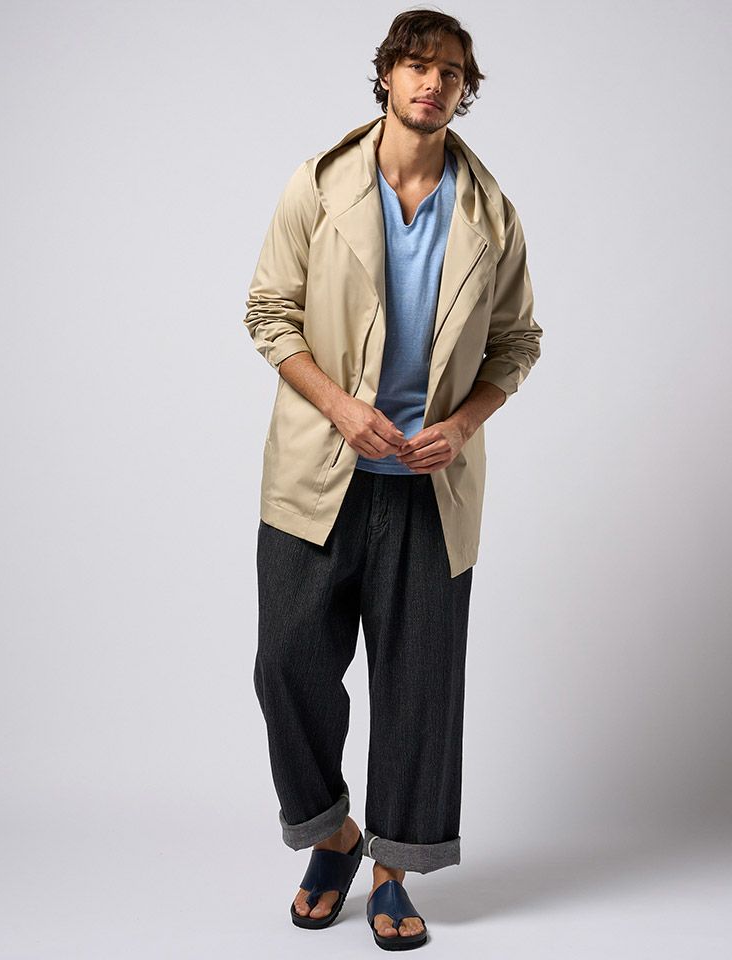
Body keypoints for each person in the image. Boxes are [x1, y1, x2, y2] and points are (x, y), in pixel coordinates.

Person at [243, 8, 542, 949]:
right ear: (386, 75)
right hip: (317, 476)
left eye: (450, 72)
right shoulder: (318, 184)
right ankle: (333, 834)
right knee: (286, 664)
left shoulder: (491, 214)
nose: (432, 83)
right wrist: (340, 407)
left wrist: (460, 425)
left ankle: (392, 871)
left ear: (464, 89)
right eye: (416, 65)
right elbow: (269, 312)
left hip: (429, 491)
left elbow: (517, 342)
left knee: (420, 688)